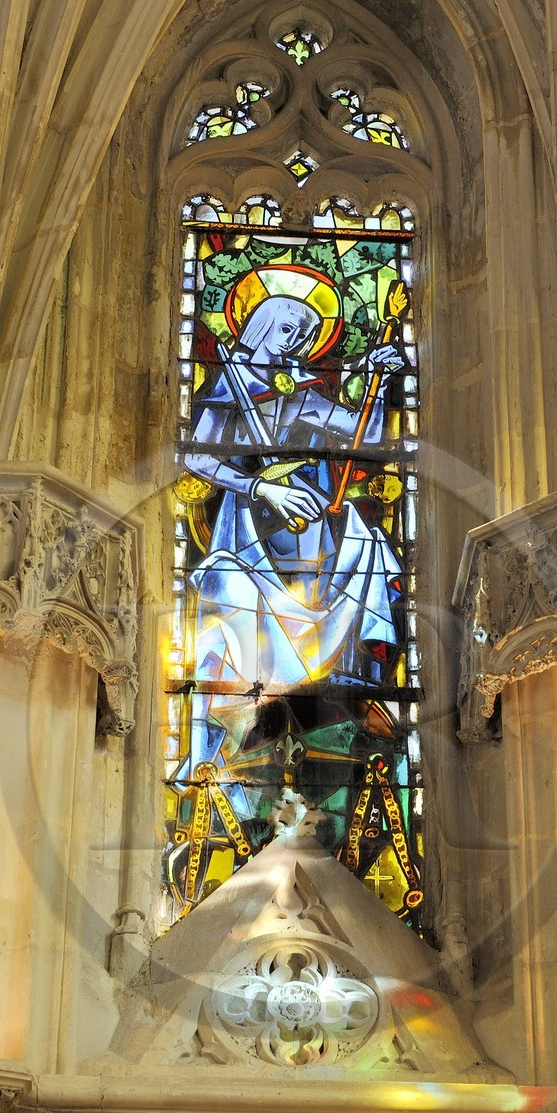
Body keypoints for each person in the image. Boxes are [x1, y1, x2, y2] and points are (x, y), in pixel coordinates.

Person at [179, 291, 407, 772]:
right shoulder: (231, 385)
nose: (298, 344)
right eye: (289, 331)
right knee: (230, 586)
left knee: (372, 546)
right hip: (247, 530)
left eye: (306, 336)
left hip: (306, 532)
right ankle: (238, 727)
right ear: (260, 328)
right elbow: (197, 457)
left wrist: (376, 379)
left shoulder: (297, 391)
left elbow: (364, 433)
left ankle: (357, 692)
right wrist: (259, 486)